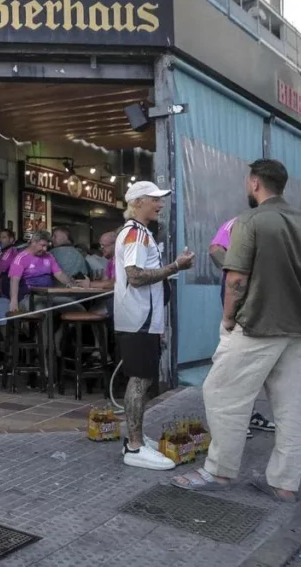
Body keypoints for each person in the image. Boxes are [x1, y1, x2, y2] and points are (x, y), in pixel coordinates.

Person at [173, 160, 301, 499]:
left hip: (257, 324)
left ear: (255, 183)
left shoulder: (250, 221)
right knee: (293, 409)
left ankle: (220, 472)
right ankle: (285, 485)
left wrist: (228, 318)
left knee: (222, 394)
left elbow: (236, 279)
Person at [114, 182, 193, 471]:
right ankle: (134, 447)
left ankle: (134, 439)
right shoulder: (135, 232)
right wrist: (175, 267)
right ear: (137, 202)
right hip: (138, 319)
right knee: (139, 380)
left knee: (142, 380)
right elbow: (134, 276)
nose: (160, 204)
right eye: (154, 200)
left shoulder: (141, 231)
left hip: (142, 318)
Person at [209, 216, 275, 438]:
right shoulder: (240, 221)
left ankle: (248, 413)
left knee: (256, 360)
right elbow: (215, 249)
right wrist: (238, 271)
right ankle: (232, 419)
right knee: (235, 355)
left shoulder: (283, 222)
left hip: (268, 302)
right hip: (241, 297)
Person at [7, 230, 85, 314]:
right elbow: (14, 281)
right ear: (33, 242)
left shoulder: (49, 256)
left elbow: (59, 274)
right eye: (42, 245)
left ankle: (63, 327)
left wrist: (71, 283)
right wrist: (13, 301)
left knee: (77, 308)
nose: (45, 249)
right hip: (28, 297)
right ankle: (44, 327)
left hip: (49, 296)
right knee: (44, 311)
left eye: (47, 246)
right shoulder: (21, 258)